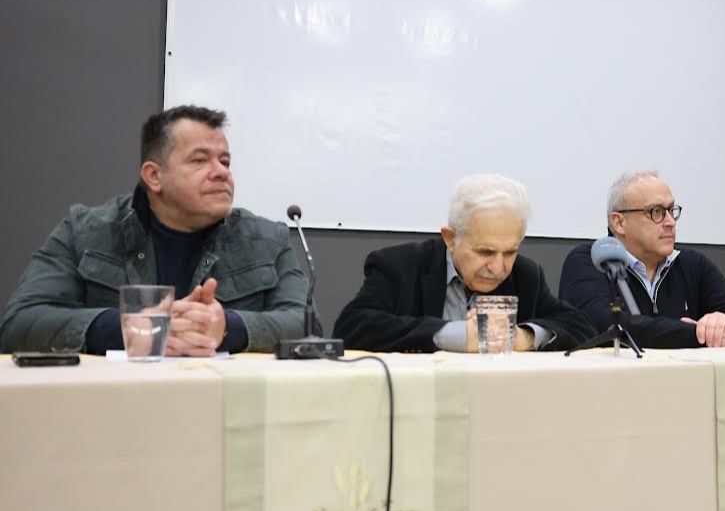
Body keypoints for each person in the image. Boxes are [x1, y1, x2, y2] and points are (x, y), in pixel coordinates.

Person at [0, 105, 308, 355]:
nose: (221, 173)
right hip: (111, 403)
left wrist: (226, 327)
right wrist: (132, 328)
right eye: (200, 160)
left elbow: (307, 326)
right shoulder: (84, 231)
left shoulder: (269, 239)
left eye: (225, 161)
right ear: (154, 176)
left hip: (226, 402)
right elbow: (20, 323)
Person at [333, 174, 593, 352]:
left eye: (510, 252)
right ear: (450, 238)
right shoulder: (400, 266)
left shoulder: (525, 275)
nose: (498, 268)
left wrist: (523, 336)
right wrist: (458, 335)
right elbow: (352, 326)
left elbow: (582, 326)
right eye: (485, 252)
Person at [558, 171, 725, 349]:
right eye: (656, 212)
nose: (670, 222)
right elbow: (605, 325)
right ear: (619, 223)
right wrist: (697, 333)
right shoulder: (589, 262)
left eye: (671, 210)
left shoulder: (691, 264)